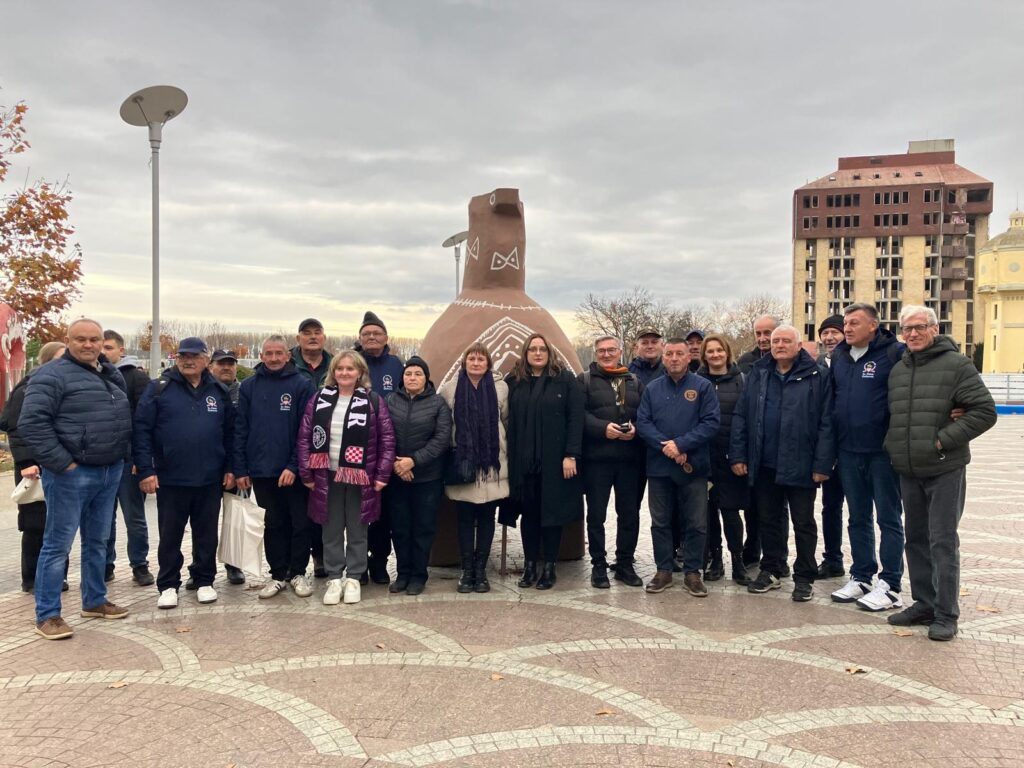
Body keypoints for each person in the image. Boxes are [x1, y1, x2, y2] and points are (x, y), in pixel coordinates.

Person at [884, 305, 996, 641]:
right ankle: (924, 603)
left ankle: (947, 613)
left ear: (935, 328)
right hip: (908, 468)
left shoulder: (957, 365)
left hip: (944, 467)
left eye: (919, 327)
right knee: (915, 539)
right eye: (907, 329)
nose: (913, 334)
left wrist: (940, 441)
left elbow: (984, 411)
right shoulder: (899, 369)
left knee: (942, 541)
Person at [19, 319, 133, 640]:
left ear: (102, 342)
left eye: (94, 339)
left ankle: (94, 600)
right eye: (80, 339)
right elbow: (32, 423)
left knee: (98, 540)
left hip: (109, 470)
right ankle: (48, 614)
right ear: (67, 341)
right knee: (57, 545)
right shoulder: (51, 375)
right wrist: (63, 463)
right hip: (71, 473)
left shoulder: (108, 373)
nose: (88, 344)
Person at [730, 325, 834, 602]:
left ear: (799, 345)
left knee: (803, 522)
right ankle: (772, 568)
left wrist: (822, 464)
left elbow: (827, 422)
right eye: (775, 341)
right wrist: (739, 455)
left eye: (785, 341)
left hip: (801, 463)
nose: (778, 345)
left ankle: (804, 577)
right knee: (769, 520)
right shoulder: (759, 373)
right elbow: (741, 415)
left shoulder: (817, 375)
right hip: (764, 462)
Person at [134, 338, 236, 610]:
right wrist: (146, 470)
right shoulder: (159, 389)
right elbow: (141, 431)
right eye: (183, 356)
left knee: (206, 534)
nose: (188, 361)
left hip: (209, 478)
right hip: (171, 478)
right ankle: (168, 584)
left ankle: (204, 580)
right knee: (170, 535)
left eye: (194, 356)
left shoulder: (218, 390)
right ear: (176, 358)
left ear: (206, 360)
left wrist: (231, 467)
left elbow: (230, 433)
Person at [297, 350, 395, 606]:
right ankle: (334, 576)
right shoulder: (319, 399)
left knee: (357, 528)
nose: (344, 373)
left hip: (360, 477)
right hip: (325, 474)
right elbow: (305, 437)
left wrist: (383, 474)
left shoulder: (373, 401)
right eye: (339, 369)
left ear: (360, 372)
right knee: (330, 528)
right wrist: (306, 472)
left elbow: (386, 439)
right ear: (333, 372)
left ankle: (354, 576)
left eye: (350, 369)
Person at [828, 304, 906, 611]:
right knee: (858, 517)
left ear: (873, 326)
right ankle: (861, 576)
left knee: (888, 518)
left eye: (854, 323)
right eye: (846, 323)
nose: (847, 328)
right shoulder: (840, 357)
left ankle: (890, 584)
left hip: (882, 453)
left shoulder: (893, 354)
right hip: (848, 451)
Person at [233, 335, 316, 600]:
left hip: (294, 471)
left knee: (301, 523)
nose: (273, 358)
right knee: (273, 523)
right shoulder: (248, 387)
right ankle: (278, 574)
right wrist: (241, 469)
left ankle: (298, 572)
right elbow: (240, 429)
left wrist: (294, 465)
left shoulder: (302, 385)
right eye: (268, 353)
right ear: (261, 355)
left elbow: (307, 432)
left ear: (288, 355)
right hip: (261, 470)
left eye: (279, 353)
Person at [637, 337, 720, 596]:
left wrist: (682, 446)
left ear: (689, 357)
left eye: (679, 354)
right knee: (660, 522)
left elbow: (710, 423)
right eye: (670, 353)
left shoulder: (703, 387)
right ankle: (664, 570)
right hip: (660, 467)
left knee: (696, 522)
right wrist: (668, 448)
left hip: (693, 467)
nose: (674, 358)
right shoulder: (652, 388)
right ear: (664, 356)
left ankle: (693, 573)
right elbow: (643, 422)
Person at [505, 332, 584, 590]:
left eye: (542, 349)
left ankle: (549, 567)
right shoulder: (515, 381)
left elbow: (575, 419)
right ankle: (530, 566)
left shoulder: (564, 380)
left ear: (549, 353)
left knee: (552, 514)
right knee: (529, 514)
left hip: (555, 462)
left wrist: (571, 454)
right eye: (532, 349)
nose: (537, 353)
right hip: (523, 462)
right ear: (525, 354)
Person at [438, 343, 509, 594]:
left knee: (487, 518)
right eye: (472, 359)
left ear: (489, 363)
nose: (476, 363)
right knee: (465, 519)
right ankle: (467, 570)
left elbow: (507, 422)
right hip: (463, 463)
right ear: (464, 362)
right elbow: (444, 426)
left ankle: (481, 571)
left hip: (491, 464)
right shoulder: (450, 389)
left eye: (481, 359)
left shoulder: (501, 388)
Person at [0, 341, 69, 594]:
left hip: (56, 464)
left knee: (58, 523)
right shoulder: (29, 387)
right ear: (48, 360)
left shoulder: (59, 385)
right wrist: (27, 461)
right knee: (35, 524)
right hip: (34, 468)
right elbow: (15, 426)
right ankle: (31, 579)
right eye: (62, 358)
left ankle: (56, 576)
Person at [578, 336, 644, 589]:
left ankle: (625, 564)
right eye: (601, 351)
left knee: (629, 514)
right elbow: (579, 415)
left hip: (629, 460)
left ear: (620, 352)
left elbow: (646, 414)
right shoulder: (584, 380)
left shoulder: (634, 381)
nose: (606, 355)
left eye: (611, 350)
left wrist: (636, 429)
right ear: (595, 353)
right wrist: (602, 428)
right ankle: (598, 565)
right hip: (598, 460)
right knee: (596, 515)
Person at [383, 356, 451, 595]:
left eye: (418, 374)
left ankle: (419, 575)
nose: (412, 378)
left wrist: (414, 461)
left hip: (427, 478)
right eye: (409, 373)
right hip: (396, 477)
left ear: (426, 378)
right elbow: (382, 434)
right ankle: (403, 574)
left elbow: (441, 439)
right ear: (403, 377)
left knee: (423, 528)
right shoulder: (390, 401)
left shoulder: (438, 403)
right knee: (400, 528)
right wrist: (395, 464)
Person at [696, 333, 750, 584]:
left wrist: (741, 455)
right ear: (704, 355)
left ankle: (738, 560)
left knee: (730, 511)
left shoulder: (742, 380)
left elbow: (748, 421)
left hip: (732, 458)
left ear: (727, 352)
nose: (715, 355)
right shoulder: (695, 382)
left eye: (719, 350)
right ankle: (715, 560)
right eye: (710, 351)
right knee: (707, 513)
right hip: (704, 459)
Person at [100, 330, 154, 586]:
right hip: (100, 463)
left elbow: (143, 423)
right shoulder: (91, 375)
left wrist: (140, 460)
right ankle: (105, 564)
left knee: (133, 516)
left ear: (121, 350)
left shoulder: (136, 377)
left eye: (109, 347)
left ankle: (139, 564)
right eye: (102, 347)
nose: (104, 351)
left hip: (128, 462)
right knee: (102, 518)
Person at [355, 311, 405, 585]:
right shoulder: (352, 364)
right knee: (358, 513)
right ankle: (358, 564)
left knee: (384, 514)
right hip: (357, 453)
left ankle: (380, 562)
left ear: (386, 337)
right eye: (366, 334)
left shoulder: (397, 365)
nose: (372, 337)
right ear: (359, 338)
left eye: (377, 333)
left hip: (387, 453)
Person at [204, 349, 246, 586]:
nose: (226, 368)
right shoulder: (203, 390)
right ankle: (202, 566)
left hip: (238, 465)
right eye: (221, 364)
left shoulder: (243, 391)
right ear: (211, 366)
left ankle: (234, 565)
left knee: (235, 519)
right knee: (205, 521)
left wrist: (239, 468)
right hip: (209, 465)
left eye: (230, 364)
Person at [815, 314, 847, 579]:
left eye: (834, 332)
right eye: (825, 333)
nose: (829, 338)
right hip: (828, 450)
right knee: (830, 507)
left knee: (862, 512)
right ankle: (832, 559)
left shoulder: (854, 363)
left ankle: (866, 567)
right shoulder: (817, 367)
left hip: (857, 448)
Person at [291, 318, 333, 387]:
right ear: (298, 339)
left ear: (324, 338)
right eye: (307, 333)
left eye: (317, 333)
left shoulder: (335, 365)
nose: (313, 337)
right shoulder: (287, 363)